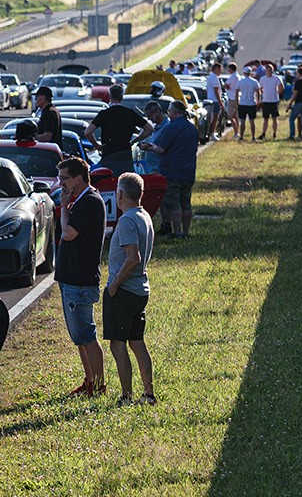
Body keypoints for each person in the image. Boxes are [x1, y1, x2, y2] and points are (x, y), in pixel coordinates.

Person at [56, 156, 107, 398]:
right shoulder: (81, 199)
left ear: (78, 177)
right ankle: (90, 381)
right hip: (70, 278)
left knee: (87, 335)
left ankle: (98, 385)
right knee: (79, 337)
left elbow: (68, 234)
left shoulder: (90, 201)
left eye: (64, 178)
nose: (61, 183)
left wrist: (64, 209)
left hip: (80, 279)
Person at [105, 172, 156, 405]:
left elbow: (132, 257)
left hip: (124, 290)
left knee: (118, 343)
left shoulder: (126, 220)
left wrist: (114, 285)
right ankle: (148, 394)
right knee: (137, 341)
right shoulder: (144, 215)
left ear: (121, 194)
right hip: (140, 289)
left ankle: (126, 396)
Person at [145, 100, 199, 239]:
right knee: (186, 203)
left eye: (169, 111)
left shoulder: (171, 128)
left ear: (175, 112)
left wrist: (148, 147)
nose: (168, 113)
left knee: (173, 203)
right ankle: (186, 233)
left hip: (172, 171)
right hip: (188, 171)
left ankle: (177, 232)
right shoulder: (192, 128)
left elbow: (161, 149)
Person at [89, 96, 150, 176]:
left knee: (108, 181)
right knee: (128, 181)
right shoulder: (130, 113)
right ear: (121, 98)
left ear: (110, 97)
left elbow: (88, 132)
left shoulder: (104, 114)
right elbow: (149, 129)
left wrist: (96, 145)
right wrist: (133, 141)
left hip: (109, 154)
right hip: (125, 154)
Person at [234, 67, 260, 141]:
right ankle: (253, 137)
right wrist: (258, 101)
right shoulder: (254, 82)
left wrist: (236, 103)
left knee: (242, 121)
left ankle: (241, 136)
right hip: (252, 103)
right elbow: (258, 92)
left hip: (242, 103)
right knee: (252, 121)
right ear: (250, 73)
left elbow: (236, 92)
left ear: (244, 73)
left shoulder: (240, 81)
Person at [257, 64, 282, 141]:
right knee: (265, 118)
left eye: (270, 70)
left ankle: (274, 133)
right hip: (266, 101)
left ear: (272, 70)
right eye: (268, 70)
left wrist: (278, 93)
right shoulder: (262, 79)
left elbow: (281, 86)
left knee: (274, 118)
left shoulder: (276, 78)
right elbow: (260, 88)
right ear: (266, 70)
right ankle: (263, 133)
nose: (269, 71)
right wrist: (262, 93)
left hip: (273, 101)